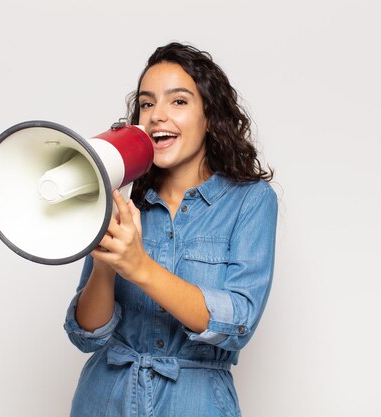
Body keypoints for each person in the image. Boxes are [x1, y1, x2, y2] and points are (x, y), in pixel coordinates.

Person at [64, 42, 278, 417]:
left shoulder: (250, 201)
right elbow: (87, 334)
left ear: (210, 115)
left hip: (195, 403)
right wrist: (106, 263)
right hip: (103, 399)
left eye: (178, 102)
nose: (157, 115)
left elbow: (239, 321)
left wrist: (139, 266)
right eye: (147, 104)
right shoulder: (123, 200)